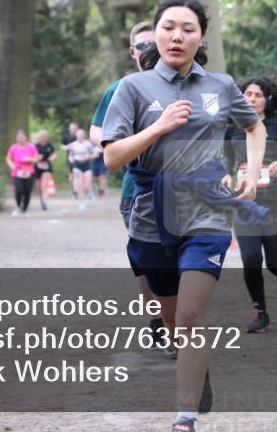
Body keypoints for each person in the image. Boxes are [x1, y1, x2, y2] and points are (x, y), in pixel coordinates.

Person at [101, 0, 267, 432]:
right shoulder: (132, 89)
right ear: (155, 34)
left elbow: (254, 125)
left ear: (201, 37)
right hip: (152, 215)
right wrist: (158, 127)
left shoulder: (221, 86)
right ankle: (198, 368)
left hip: (207, 211)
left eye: (188, 28)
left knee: (193, 315)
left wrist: (250, 170)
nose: (178, 36)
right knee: (174, 321)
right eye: (169, 27)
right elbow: (112, 157)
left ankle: (184, 418)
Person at [90, 20, 173, 355]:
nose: (148, 51)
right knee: (145, 259)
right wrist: (123, 144)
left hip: (181, 187)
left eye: (154, 44)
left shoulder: (182, 85)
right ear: (132, 51)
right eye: (142, 46)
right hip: (135, 189)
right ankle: (158, 317)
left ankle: (176, 321)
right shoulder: (121, 87)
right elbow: (98, 130)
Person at [223, 76, 277, 333]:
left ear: (267, 99)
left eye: (258, 95)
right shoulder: (232, 128)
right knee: (250, 258)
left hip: (276, 204)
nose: (252, 99)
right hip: (245, 204)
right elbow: (226, 162)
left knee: (275, 262)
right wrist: (225, 174)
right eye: (247, 94)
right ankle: (260, 310)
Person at [6, 130, 39, 217]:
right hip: (17, 172)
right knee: (19, 189)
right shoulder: (13, 148)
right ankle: (18, 206)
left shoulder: (31, 147)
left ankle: (23, 210)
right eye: (19, 137)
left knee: (27, 192)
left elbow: (36, 158)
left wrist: (30, 159)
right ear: (16, 138)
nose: (20, 139)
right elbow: (8, 158)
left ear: (25, 137)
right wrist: (12, 166)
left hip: (29, 172)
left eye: (22, 137)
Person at [65, 128, 99, 211]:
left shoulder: (88, 144)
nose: (80, 136)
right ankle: (82, 203)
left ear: (84, 135)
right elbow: (70, 156)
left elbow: (95, 154)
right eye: (78, 135)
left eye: (81, 135)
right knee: (79, 186)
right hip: (77, 165)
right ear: (76, 136)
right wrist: (71, 160)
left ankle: (90, 193)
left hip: (87, 165)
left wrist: (89, 156)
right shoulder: (73, 145)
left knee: (86, 186)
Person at [33, 130, 57, 211]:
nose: (43, 138)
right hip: (38, 167)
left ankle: (45, 202)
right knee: (39, 187)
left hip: (47, 167)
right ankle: (42, 199)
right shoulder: (35, 146)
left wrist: (52, 157)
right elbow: (32, 156)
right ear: (39, 137)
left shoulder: (49, 145)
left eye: (44, 136)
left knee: (44, 185)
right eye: (41, 136)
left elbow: (54, 153)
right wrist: (37, 157)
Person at [61, 122, 79, 198]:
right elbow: (62, 146)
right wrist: (67, 147)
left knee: (78, 174)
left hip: (80, 158)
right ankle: (74, 190)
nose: (73, 129)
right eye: (71, 128)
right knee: (72, 175)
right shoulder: (66, 136)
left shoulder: (79, 135)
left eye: (74, 128)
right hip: (70, 158)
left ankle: (77, 190)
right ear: (69, 128)